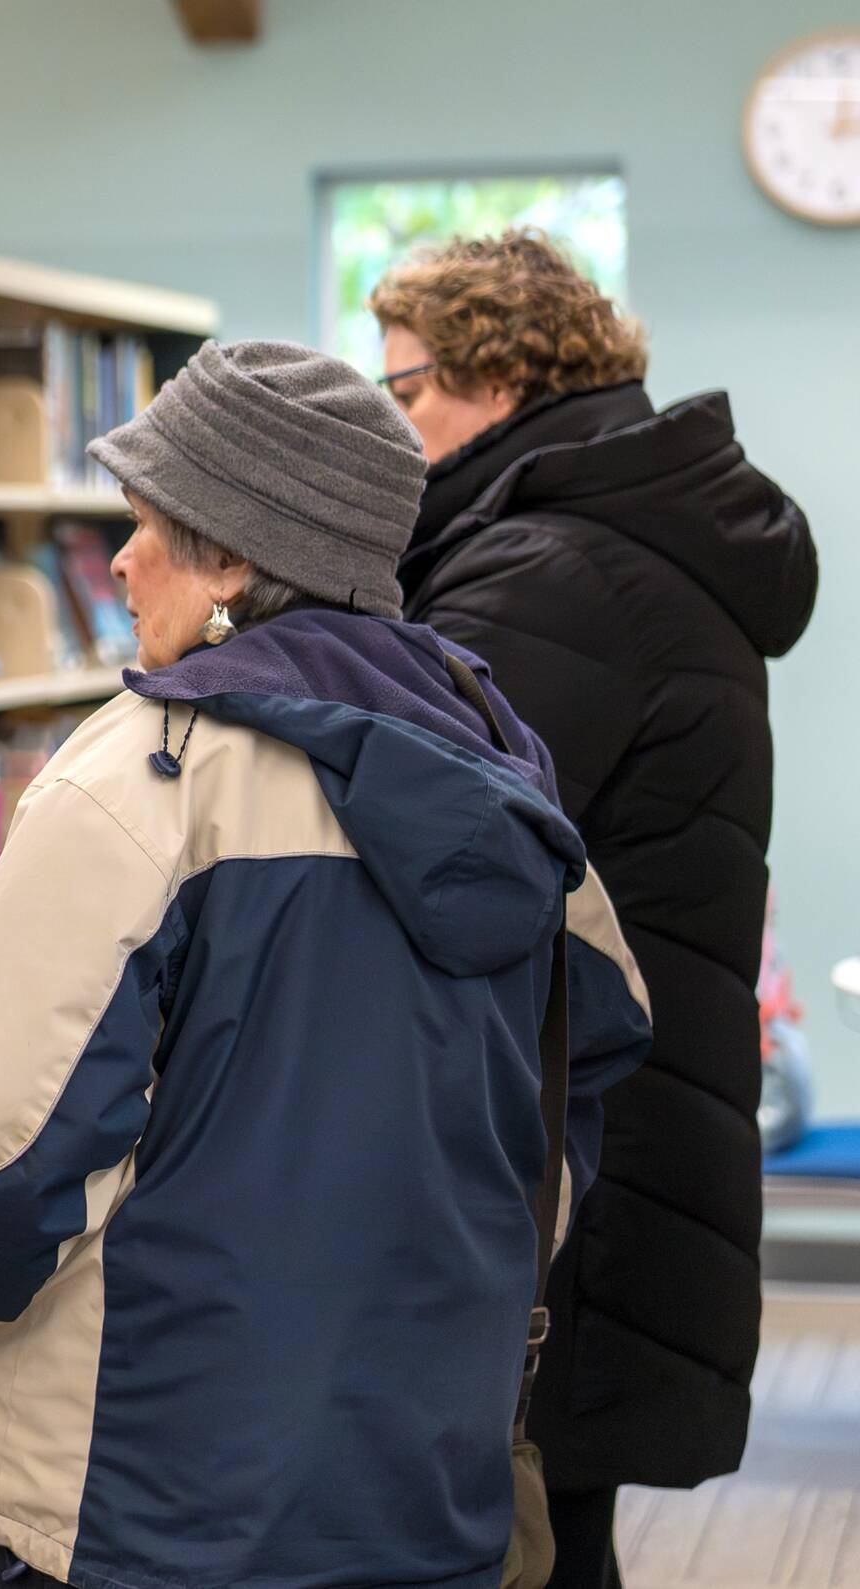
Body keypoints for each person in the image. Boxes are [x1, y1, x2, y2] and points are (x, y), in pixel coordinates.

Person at [0, 340, 652, 1589]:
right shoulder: (500, 767)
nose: (117, 561)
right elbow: (588, 1051)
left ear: (235, 554)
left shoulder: (142, 778)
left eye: (144, 524)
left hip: (143, 1491)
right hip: (418, 1477)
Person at [372, 232, 818, 1587]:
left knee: (527, 1533)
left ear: (496, 375)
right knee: (557, 1526)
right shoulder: (623, 531)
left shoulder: (551, 568)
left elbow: (416, 829)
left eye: (404, 393)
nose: (395, 430)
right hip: (619, 1117)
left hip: (563, 1137)